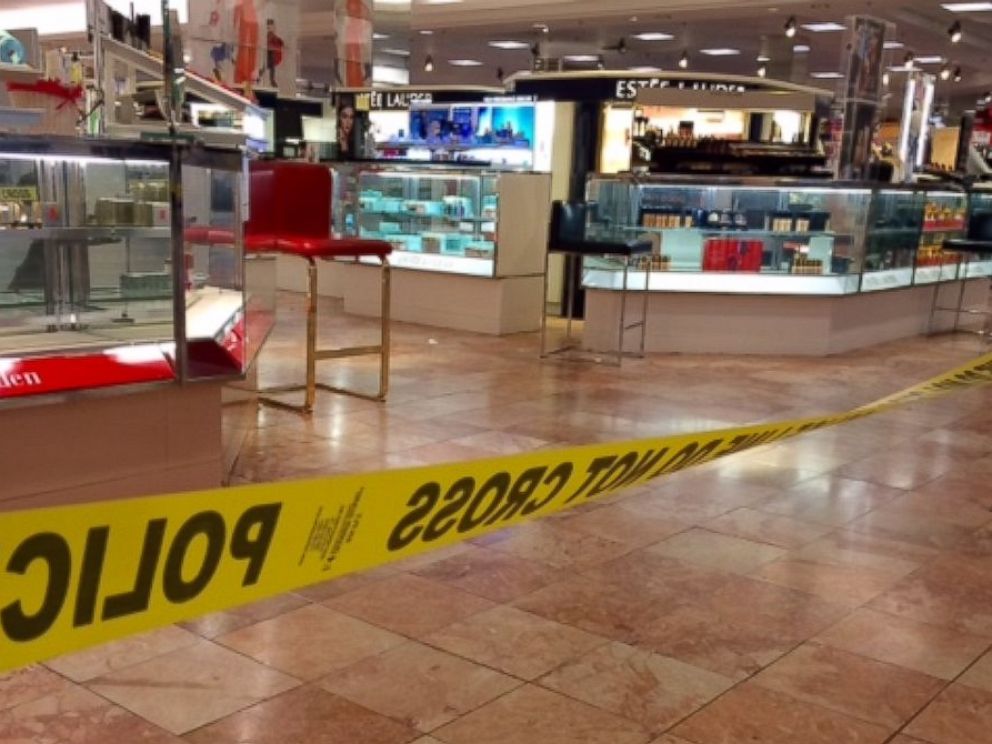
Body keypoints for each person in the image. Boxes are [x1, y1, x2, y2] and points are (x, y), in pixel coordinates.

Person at [258, 19, 284, 88]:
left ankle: (268, 80)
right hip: (269, 51)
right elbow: (269, 40)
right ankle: (271, 81)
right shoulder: (268, 33)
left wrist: (279, 41)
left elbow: (275, 39)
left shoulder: (271, 33)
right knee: (269, 66)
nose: (270, 26)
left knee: (269, 66)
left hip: (271, 51)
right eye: (269, 25)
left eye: (271, 24)